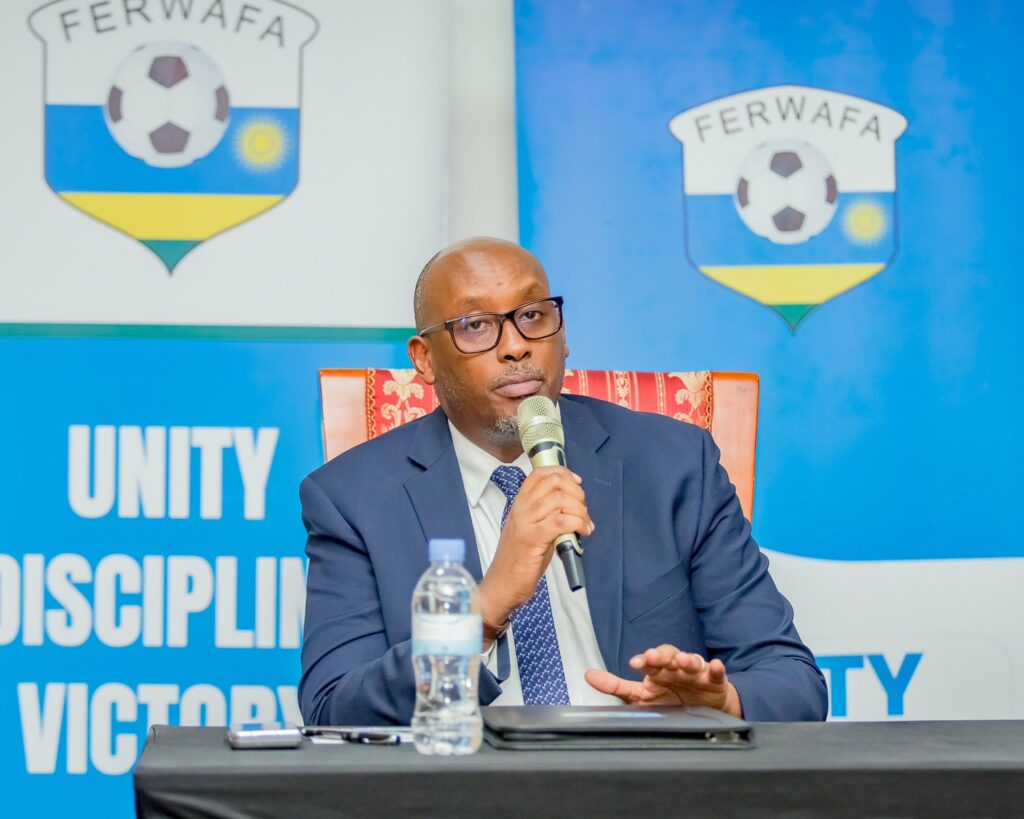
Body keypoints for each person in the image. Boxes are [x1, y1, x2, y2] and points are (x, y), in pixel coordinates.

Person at [299, 237, 827, 725]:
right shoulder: (353, 499)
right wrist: (482, 611)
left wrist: (719, 703)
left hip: (646, 775)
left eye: (533, 315)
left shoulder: (673, 465)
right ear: (424, 359)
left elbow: (793, 683)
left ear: (564, 335)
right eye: (476, 325)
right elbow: (333, 711)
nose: (516, 346)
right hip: (467, 781)